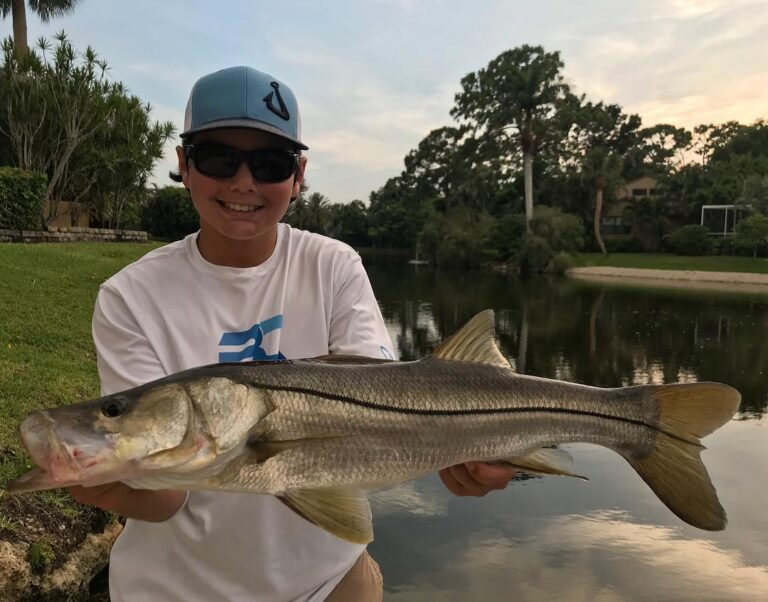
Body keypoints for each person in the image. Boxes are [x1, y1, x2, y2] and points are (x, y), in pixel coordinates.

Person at [67, 65, 517, 601]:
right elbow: (167, 501)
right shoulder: (130, 297)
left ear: (299, 175)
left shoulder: (334, 266)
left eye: (270, 163)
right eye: (218, 158)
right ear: (184, 165)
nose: (243, 182)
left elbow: (387, 412)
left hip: (328, 584)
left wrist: (462, 445)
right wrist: (108, 483)